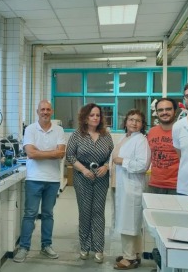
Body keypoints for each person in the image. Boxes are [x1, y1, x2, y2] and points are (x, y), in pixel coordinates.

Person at [13, 99, 67, 263]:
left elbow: (61, 154)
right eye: (42, 109)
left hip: (52, 180)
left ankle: (46, 246)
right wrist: (51, 153)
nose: (45, 112)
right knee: (30, 214)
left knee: (48, 214)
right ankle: (24, 247)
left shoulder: (59, 130)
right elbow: (31, 154)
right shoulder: (30, 129)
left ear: (52, 112)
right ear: (38, 112)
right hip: (34, 179)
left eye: (48, 110)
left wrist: (40, 152)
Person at [66, 103, 114, 263]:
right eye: (92, 115)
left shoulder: (106, 136)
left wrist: (106, 166)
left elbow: (111, 155)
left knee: (98, 212)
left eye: (98, 115)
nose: (95, 118)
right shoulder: (77, 135)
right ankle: (85, 247)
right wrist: (83, 170)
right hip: (82, 176)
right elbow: (70, 156)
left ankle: (99, 248)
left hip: (101, 177)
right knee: (85, 212)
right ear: (85, 117)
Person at [111, 109, 150, 270]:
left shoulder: (141, 140)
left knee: (129, 222)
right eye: (131, 119)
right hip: (121, 185)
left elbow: (142, 165)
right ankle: (135, 253)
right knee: (131, 222)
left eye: (138, 120)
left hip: (131, 186)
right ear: (125, 121)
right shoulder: (125, 137)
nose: (134, 122)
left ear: (142, 125)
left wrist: (122, 161)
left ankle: (129, 258)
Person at [147, 98, 180, 195]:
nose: (164, 112)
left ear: (175, 111)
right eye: (160, 110)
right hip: (154, 185)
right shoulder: (152, 132)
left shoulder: (182, 131)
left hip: (177, 186)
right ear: (157, 113)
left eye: (168, 109)